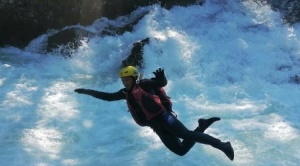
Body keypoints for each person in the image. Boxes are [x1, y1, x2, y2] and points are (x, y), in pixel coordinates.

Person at [74, 66, 234, 160]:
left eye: (127, 80)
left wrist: (161, 77)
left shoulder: (144, 84)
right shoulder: (125, 93)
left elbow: (162, 83)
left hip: (165, 118)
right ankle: (202, 126)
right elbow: (108, 97)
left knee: (187, 135)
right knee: (180, 151)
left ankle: (222, 145)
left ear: (134, 78)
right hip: (156, 126)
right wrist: (87, 91)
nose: (125, 82)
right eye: (123, 81)